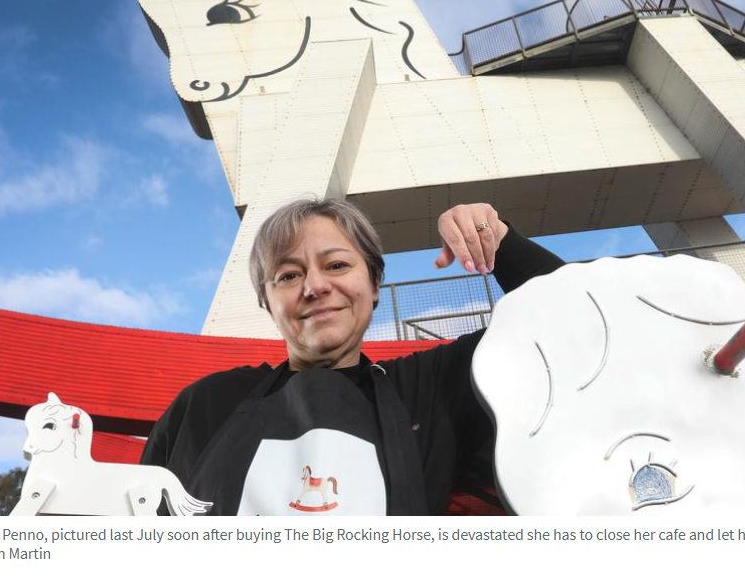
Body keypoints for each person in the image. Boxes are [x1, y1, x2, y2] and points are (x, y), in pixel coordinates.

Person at [141, 198, 563, 515]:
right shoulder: (205, 405)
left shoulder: (433, 388)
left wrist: (501, 241)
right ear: (267, 303)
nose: (315, 287)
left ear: (375, 284)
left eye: (337, 265)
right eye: (288, 275)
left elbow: (569, 321)